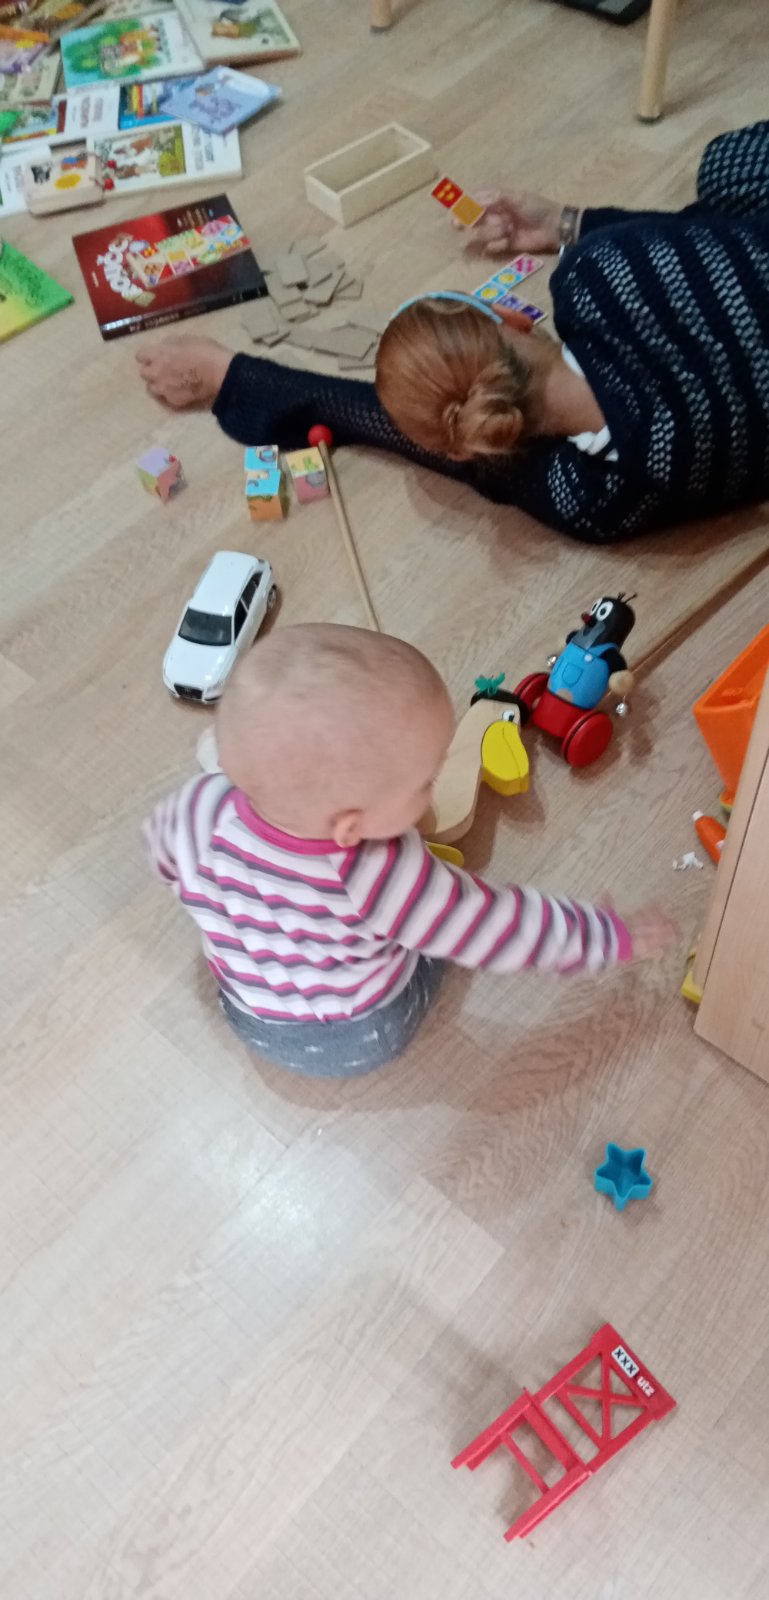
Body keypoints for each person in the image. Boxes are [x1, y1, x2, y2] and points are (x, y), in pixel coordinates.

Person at [137, 121, 769, 545]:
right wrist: (569, 222)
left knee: (726, 176)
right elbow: (715, 241)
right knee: (727, 166)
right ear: (513, 319)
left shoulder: (593, 497)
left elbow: (454, 450)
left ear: (470, 444)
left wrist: (235, 377)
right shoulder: (595, 274)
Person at [143, 624, 677, 1077]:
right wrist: (606, 935)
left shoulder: (199, 806)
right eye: (424, 783)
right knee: (439, 930)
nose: (434, 788)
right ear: (349, 827)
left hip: (248, 1014)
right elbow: (498, 927)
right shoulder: (379, 870)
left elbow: (164, 860)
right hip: (359, 1036)